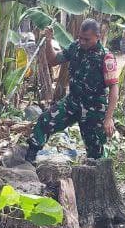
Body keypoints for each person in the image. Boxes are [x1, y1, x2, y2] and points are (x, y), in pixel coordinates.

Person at [23, 18, 119, 165]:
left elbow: (114, 88)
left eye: (87, 39)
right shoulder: (75, 47)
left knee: (95, 151)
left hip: (93, 109)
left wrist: (108, 118)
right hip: (72, 102)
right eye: (80, 37)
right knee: (45, 120)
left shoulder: (106, 57)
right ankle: (30, 158)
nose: (82, 42)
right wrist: (48, 41)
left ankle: (97, 173)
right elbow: (53, 60)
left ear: (97, 37)